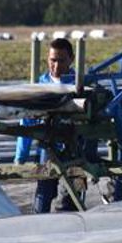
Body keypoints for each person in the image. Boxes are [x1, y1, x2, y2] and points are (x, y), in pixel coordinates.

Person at [15, 37, 78, 213]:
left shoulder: (80, 84)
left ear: (72, 59)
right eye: (52, 60)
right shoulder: (39, 85)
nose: (56, 66)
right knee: (43, 194)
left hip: (76, 149)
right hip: (48, 148)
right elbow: (26, 121)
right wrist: (21, 156)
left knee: (72, 197)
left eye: (61, 61)